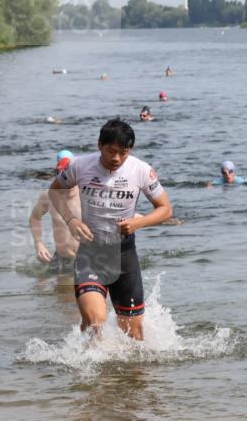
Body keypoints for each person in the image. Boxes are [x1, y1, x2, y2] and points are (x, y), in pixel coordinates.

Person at [48, 118, 172, 340]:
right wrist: (71, 221)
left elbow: (165, 209)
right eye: (110, 151)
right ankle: (88, 367)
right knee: (96, 322)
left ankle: (127, 375)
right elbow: (54, 192)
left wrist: (137, 223)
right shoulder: (80, 165)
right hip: (90, 252)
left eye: (123, 152)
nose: (116, 158)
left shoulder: (141, 170)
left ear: (130, 150)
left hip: (124, 255)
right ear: (99, 145)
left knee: (134, 335)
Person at [30, 151, 81, 274]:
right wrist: (39, 243)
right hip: (62, 260)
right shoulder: (48, 196)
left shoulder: (88, 194)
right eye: (63, 176)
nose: (68, 181)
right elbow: (34, 218)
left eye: (71, 175)